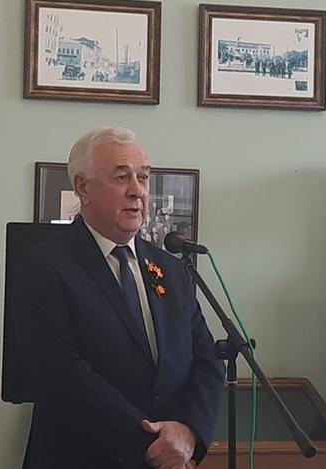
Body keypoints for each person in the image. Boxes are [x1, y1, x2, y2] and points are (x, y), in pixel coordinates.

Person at [15, 127, 223, 469]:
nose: (137, 190)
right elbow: (61, 375)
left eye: (143, 177)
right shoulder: (43, 267)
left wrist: (188, 432)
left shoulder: (171, 269)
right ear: (83, 187)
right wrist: (155, 446)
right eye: (121, 177)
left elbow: (207, 360)